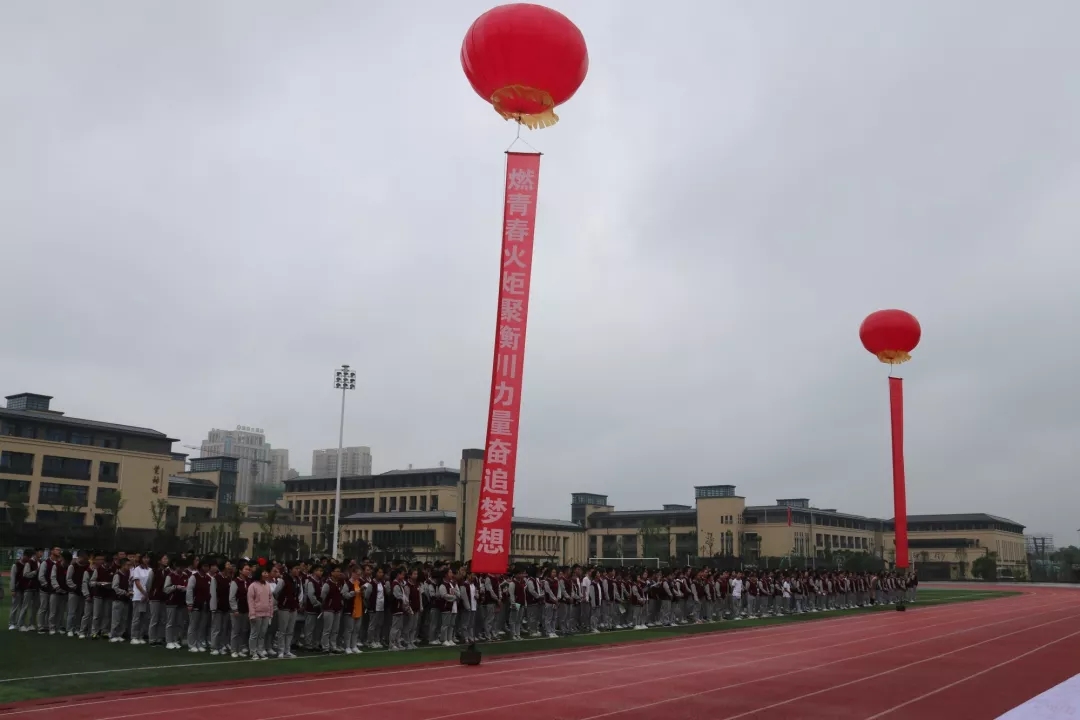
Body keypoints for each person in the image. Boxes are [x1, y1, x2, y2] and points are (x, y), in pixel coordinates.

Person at [247, 566, 273, 660]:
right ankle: (253, 652)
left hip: (266, 613)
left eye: (267, 573)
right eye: (264, 573)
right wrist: (252, 614)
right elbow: (250, 601)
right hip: (256, 614)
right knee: (254, 633)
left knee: (262, 634)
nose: (266, 574)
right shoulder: (253, 586)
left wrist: (270, 613)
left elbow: (270, 600)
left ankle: (260, 650)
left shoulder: (268, 585)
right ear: (259, 574)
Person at [129, 553, 151, 645]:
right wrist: (144, 593)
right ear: (141, 559)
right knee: (136, 617)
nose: (146, 559)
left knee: (144, 618)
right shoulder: (137, 569)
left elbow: (151, 583)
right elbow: (137, 583)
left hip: (147, 596)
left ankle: (141, 636)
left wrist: (147, 595)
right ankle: (134, 637)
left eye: (147, 558)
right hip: (138, 596)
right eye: (144, 558)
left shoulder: (150, 570)